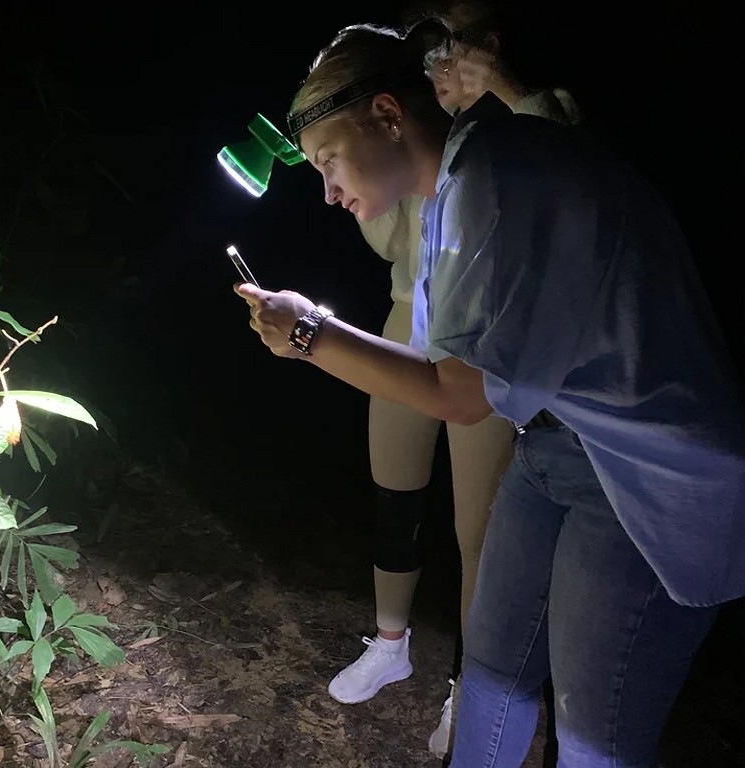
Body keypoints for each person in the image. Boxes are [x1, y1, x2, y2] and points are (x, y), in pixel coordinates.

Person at [234, 21, 745, 768]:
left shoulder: (495, 182)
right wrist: (314, 327)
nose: (328, 190)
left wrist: (311, 333)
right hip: (560, 439)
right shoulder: (465, 178)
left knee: (594, 735)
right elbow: (445, 364)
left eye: (328, 161)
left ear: (386, 114)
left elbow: (460, 395)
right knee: (493, 673)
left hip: (652, 468)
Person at [338, 3, 579, 762]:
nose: (445, 61)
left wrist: (505, 89)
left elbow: (574, 169)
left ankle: (465, 688)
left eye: (459, 42)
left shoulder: (530, 115)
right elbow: (385, 239)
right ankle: (389, 642)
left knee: (480, 531)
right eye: (432, 47)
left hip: (488, 349)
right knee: (393, 491)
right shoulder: (409, 127)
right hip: (406, 322)